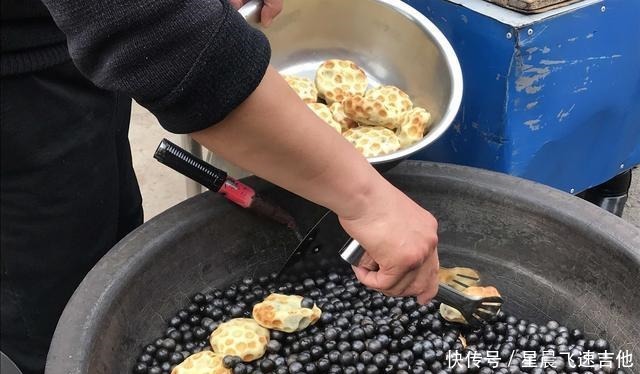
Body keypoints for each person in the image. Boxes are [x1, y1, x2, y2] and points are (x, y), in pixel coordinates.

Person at [0, 0, 439, 373]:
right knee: (49, 316)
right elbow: (165, 43)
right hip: (16, 91)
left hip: (55, 39)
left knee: (103, 231)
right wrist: (369, 202)